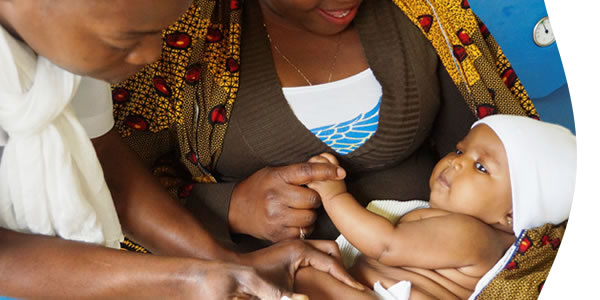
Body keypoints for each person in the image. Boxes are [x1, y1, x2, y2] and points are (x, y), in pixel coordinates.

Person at [0, 0, 363, 298]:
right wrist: (188, 279)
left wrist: (227, 263)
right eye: (125, 40)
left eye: (159, 31)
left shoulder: (64, 42)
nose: (151, 53)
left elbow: (105, 170)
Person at [111, 0, 540, 252]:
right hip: (252, 276)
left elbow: (515, 166)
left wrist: (473, 265)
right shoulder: (180, 36)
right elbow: (111, 189)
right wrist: (231, 208)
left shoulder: (427, 11)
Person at [296, 114, 576, 299]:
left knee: (306, 277)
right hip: (370, 289)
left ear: (513, 213)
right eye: (459, 150)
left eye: (481, 167)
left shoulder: (473, 236)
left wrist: (333, 195)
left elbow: (385, 245)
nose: (456, 162)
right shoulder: (465, 226)